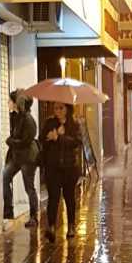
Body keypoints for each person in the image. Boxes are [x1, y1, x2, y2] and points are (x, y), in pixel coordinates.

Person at [41, 102, 84, 242]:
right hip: (52, 167)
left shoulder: (74, 124)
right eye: (56, 108)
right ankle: (51, 227)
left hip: (69, 168)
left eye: (61, 108)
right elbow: (41, 140)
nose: (58, 111)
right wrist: (50, 137)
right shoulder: (49, 123)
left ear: (67, 109)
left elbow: (77, 142)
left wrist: (59, 138)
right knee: (53, 198)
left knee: (69, 198)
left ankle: (71, 226)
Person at [3, 90, 40, 227]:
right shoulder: (16, 117)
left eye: (10, 101)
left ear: (17, 103)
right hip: (17, 157)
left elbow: (26, 141)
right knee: (5, 177)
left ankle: (33, 217)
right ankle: (8, 212)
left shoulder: (28, 120)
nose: (8, 103)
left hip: (28, 158)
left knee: (29, 187)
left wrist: (11, 142)